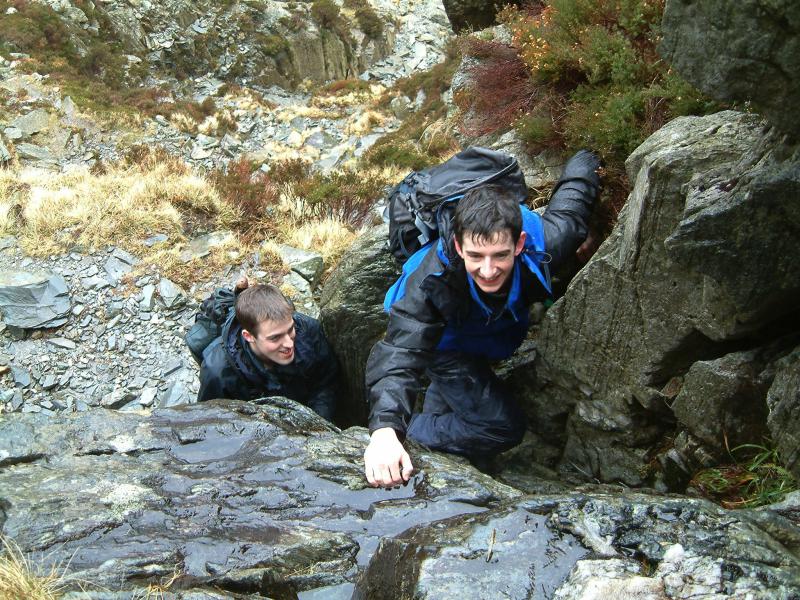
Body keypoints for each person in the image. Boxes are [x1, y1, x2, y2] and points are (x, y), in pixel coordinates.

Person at [363, 150, 601, 487]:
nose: (488, 270)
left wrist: (588, 158)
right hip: (443, 341)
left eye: (499, 255)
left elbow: (572, 207)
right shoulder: (432, 280)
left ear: (519, 244)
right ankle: (411, 433)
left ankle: (436, 413)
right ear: (459, 247)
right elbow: (402, 349)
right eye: (476, 256)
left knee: (456, 398)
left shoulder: (544, 243)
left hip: (483, 327)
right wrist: (386, 431)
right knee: (501, 426)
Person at [196, 280, 338, 422]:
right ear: (249, 336)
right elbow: (212, 422)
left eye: (290, 330)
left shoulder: (307, 328)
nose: (289, 344)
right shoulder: (217, 374)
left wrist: (318, 422)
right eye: (275, 338)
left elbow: (326, 381)